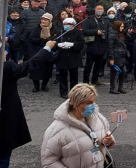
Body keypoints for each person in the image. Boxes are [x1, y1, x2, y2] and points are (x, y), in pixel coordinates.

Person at [0, 39, 56, 167]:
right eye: (3, 51)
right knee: (3, 157)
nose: (6, 53)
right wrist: (46, 48)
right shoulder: (7, 68)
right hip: (4, 122)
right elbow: (31, 64)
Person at [41, 83, 115, 168]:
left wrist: (108, 141)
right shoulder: (56, 130)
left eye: (93, 101)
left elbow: (105, 133)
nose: (93, 106)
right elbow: (49, 162)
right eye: (89, 103)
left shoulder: (98, 118)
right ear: (76, 104)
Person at [27, 12, 58, 92]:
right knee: (35, 70)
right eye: (42, 19)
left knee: (47, 70)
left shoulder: (54, 29)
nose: (43, 21)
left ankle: (44, 85)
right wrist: (41, 41)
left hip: (48, 53)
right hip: (36, 51)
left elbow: (56, 41)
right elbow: (31, 39)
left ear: (49, 21)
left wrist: (51, 44)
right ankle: (36, 86)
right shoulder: (36, 28)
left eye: (45, 20)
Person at [55, 18, 85, 99]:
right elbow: (54, 42)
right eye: (65, 24)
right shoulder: (60, 32)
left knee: (74, 76)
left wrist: (72, 44)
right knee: (62, 76)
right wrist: (58, 45)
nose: (67, 26)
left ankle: (74, 92)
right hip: (62, 57)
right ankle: (63, 92)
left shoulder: (78, 33)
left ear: (73, 25)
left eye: (69, 24)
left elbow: (82, 43)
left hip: (73, 57)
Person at [82, 4, 109, 86]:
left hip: (102, 45)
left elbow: (109, 30)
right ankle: (85, 80)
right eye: (98, 9)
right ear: (95, 10)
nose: (100, 10)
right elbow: (84, 31)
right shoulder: (88, 20)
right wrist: (95, 32)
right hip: (91, 45)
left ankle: (95, 80)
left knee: (98, 65)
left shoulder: (105, 20)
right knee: (88, 65)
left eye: (101, 9)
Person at [107, 20, 128, 94]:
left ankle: (120, 87)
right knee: (114, 72)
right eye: (121, 26)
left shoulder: (120, 34)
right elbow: (110, 47)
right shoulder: (112, 35)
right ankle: (112, 88)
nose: (122, 28)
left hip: (121, 55)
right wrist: (111, 58)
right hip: (116, 55)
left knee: (123, 71)